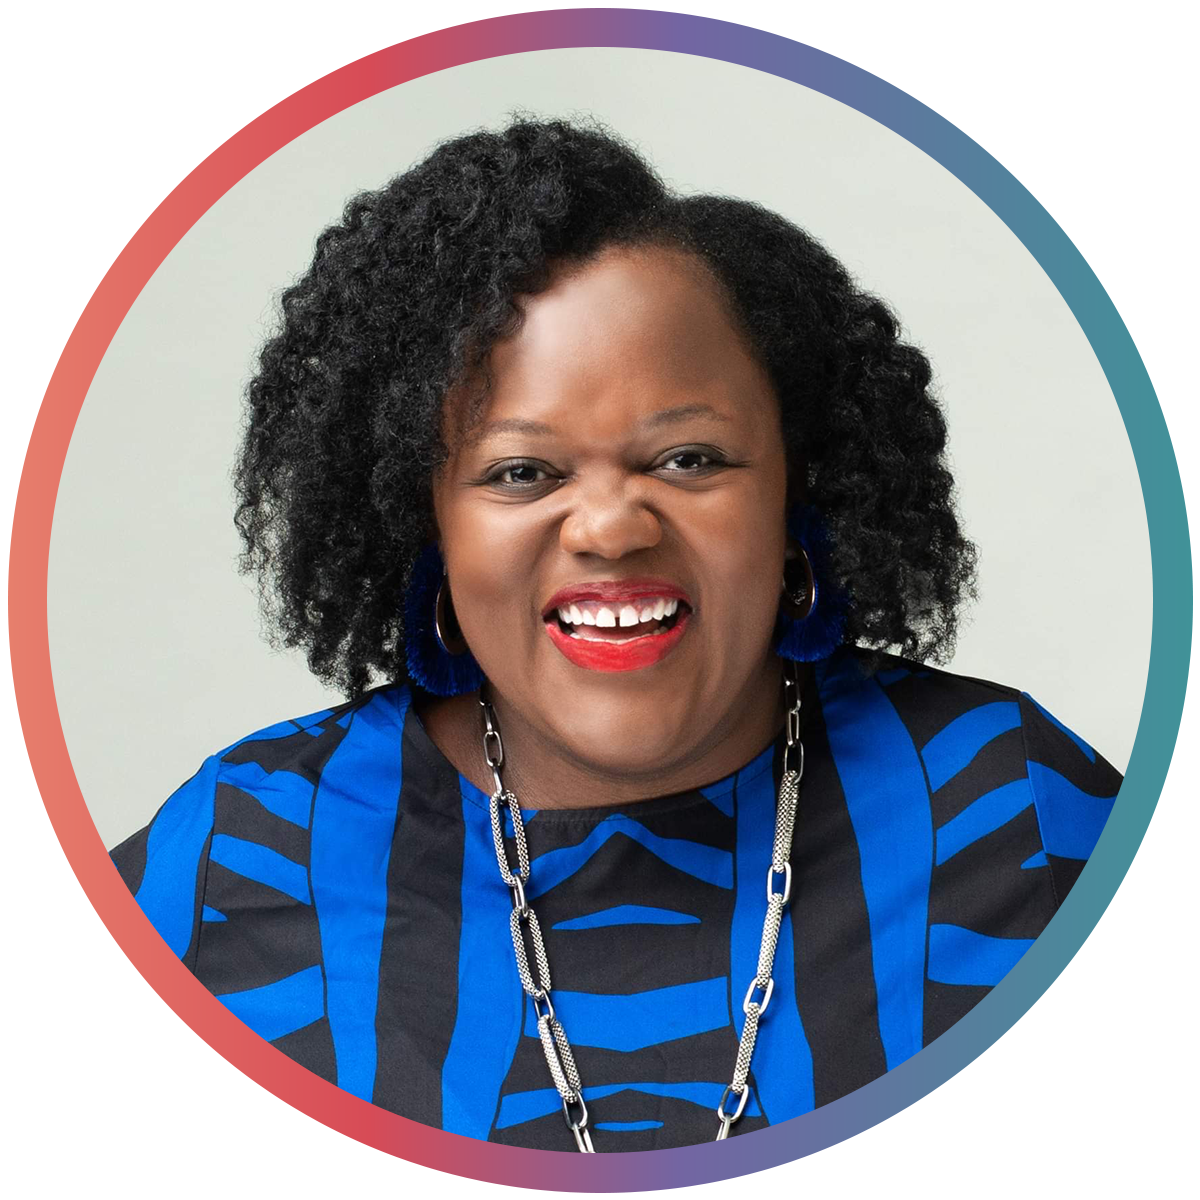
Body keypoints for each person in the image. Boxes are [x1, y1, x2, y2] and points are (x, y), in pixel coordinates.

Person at [108, 114, 1123, 1152]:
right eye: (520, 473)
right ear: (428, 524)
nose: (609, 529)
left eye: (689, 459)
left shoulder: (1011, 817)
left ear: (795, 489)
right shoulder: (242, 864)